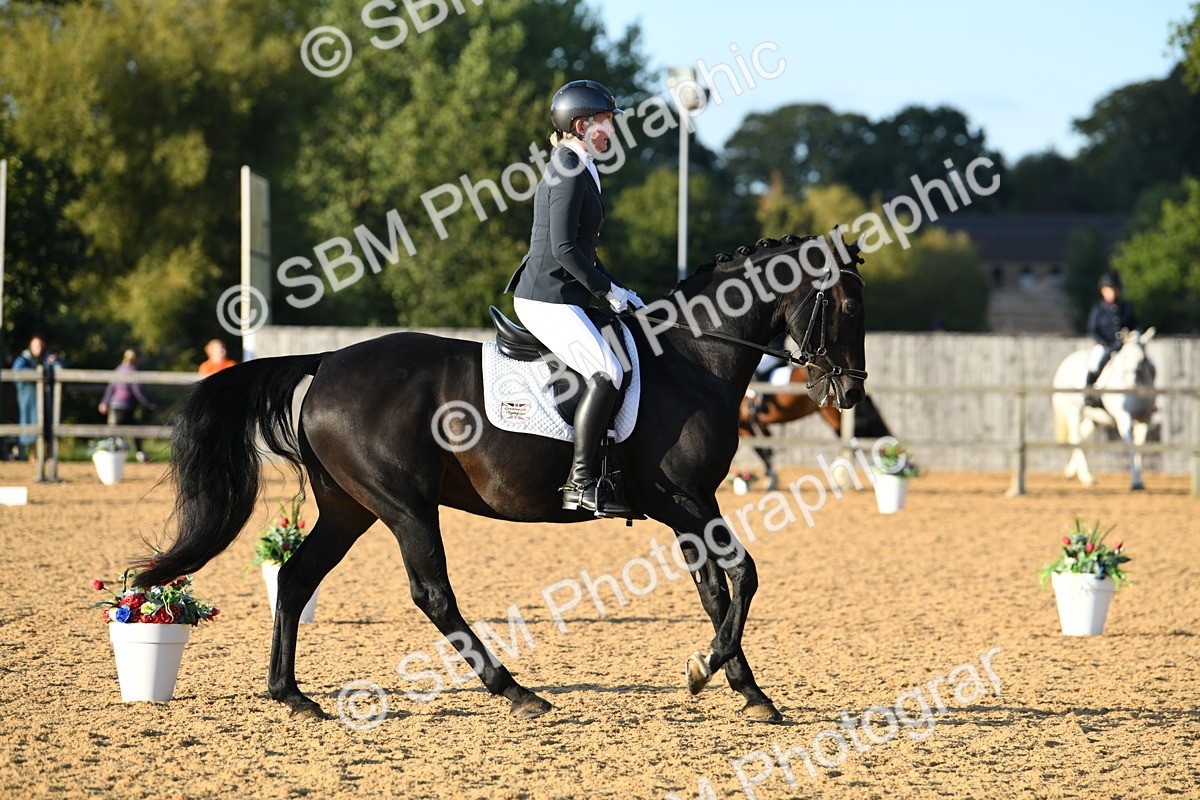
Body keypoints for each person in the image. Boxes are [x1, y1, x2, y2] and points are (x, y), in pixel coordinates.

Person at [504, 79, 645, 517]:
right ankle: (580, 482)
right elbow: (564, 249)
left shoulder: (580, 164)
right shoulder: (567, 168)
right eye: (606, 122)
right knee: (607, 370)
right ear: (582, 125)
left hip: (564, 294)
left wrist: (619, 289)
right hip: (546, 297)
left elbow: (584, 251)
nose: (612, 130)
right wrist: (606, 291)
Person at [99, 349, 156, 462]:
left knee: (114, 432)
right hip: (126, 406)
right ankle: (139, 454)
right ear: (136, 359)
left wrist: (104, 402)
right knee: (134, 430)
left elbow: (111, 388)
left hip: (115, 405)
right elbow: (138, 391)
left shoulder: (118, 369)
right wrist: (149, 403)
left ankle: (111, 456)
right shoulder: (133, 371)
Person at [1084, 271, 1139, 389]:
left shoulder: (1126, 308)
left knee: (1140, 360)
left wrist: (1133, 335)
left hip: (1124, 345)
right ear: (1103, 291)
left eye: (1114, 289)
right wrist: (1104, 342)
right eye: (1109, 290)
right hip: (1105, 345)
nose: (1112, 293)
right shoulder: (1098, 310)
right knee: (1094, 363)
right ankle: (1090, 390)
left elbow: (1135, 325)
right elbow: (1093, 330)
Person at [11, 334, 45, 460]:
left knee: (38, 423)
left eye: (40, 346)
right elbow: (16, 372)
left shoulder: (41, 359)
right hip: (27, 397)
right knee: (27, 421)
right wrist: (33, 374)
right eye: (36, 346)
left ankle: (35, 454)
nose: (38, 349)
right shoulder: (24, 358)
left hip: (37, 399)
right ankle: (23, 454)